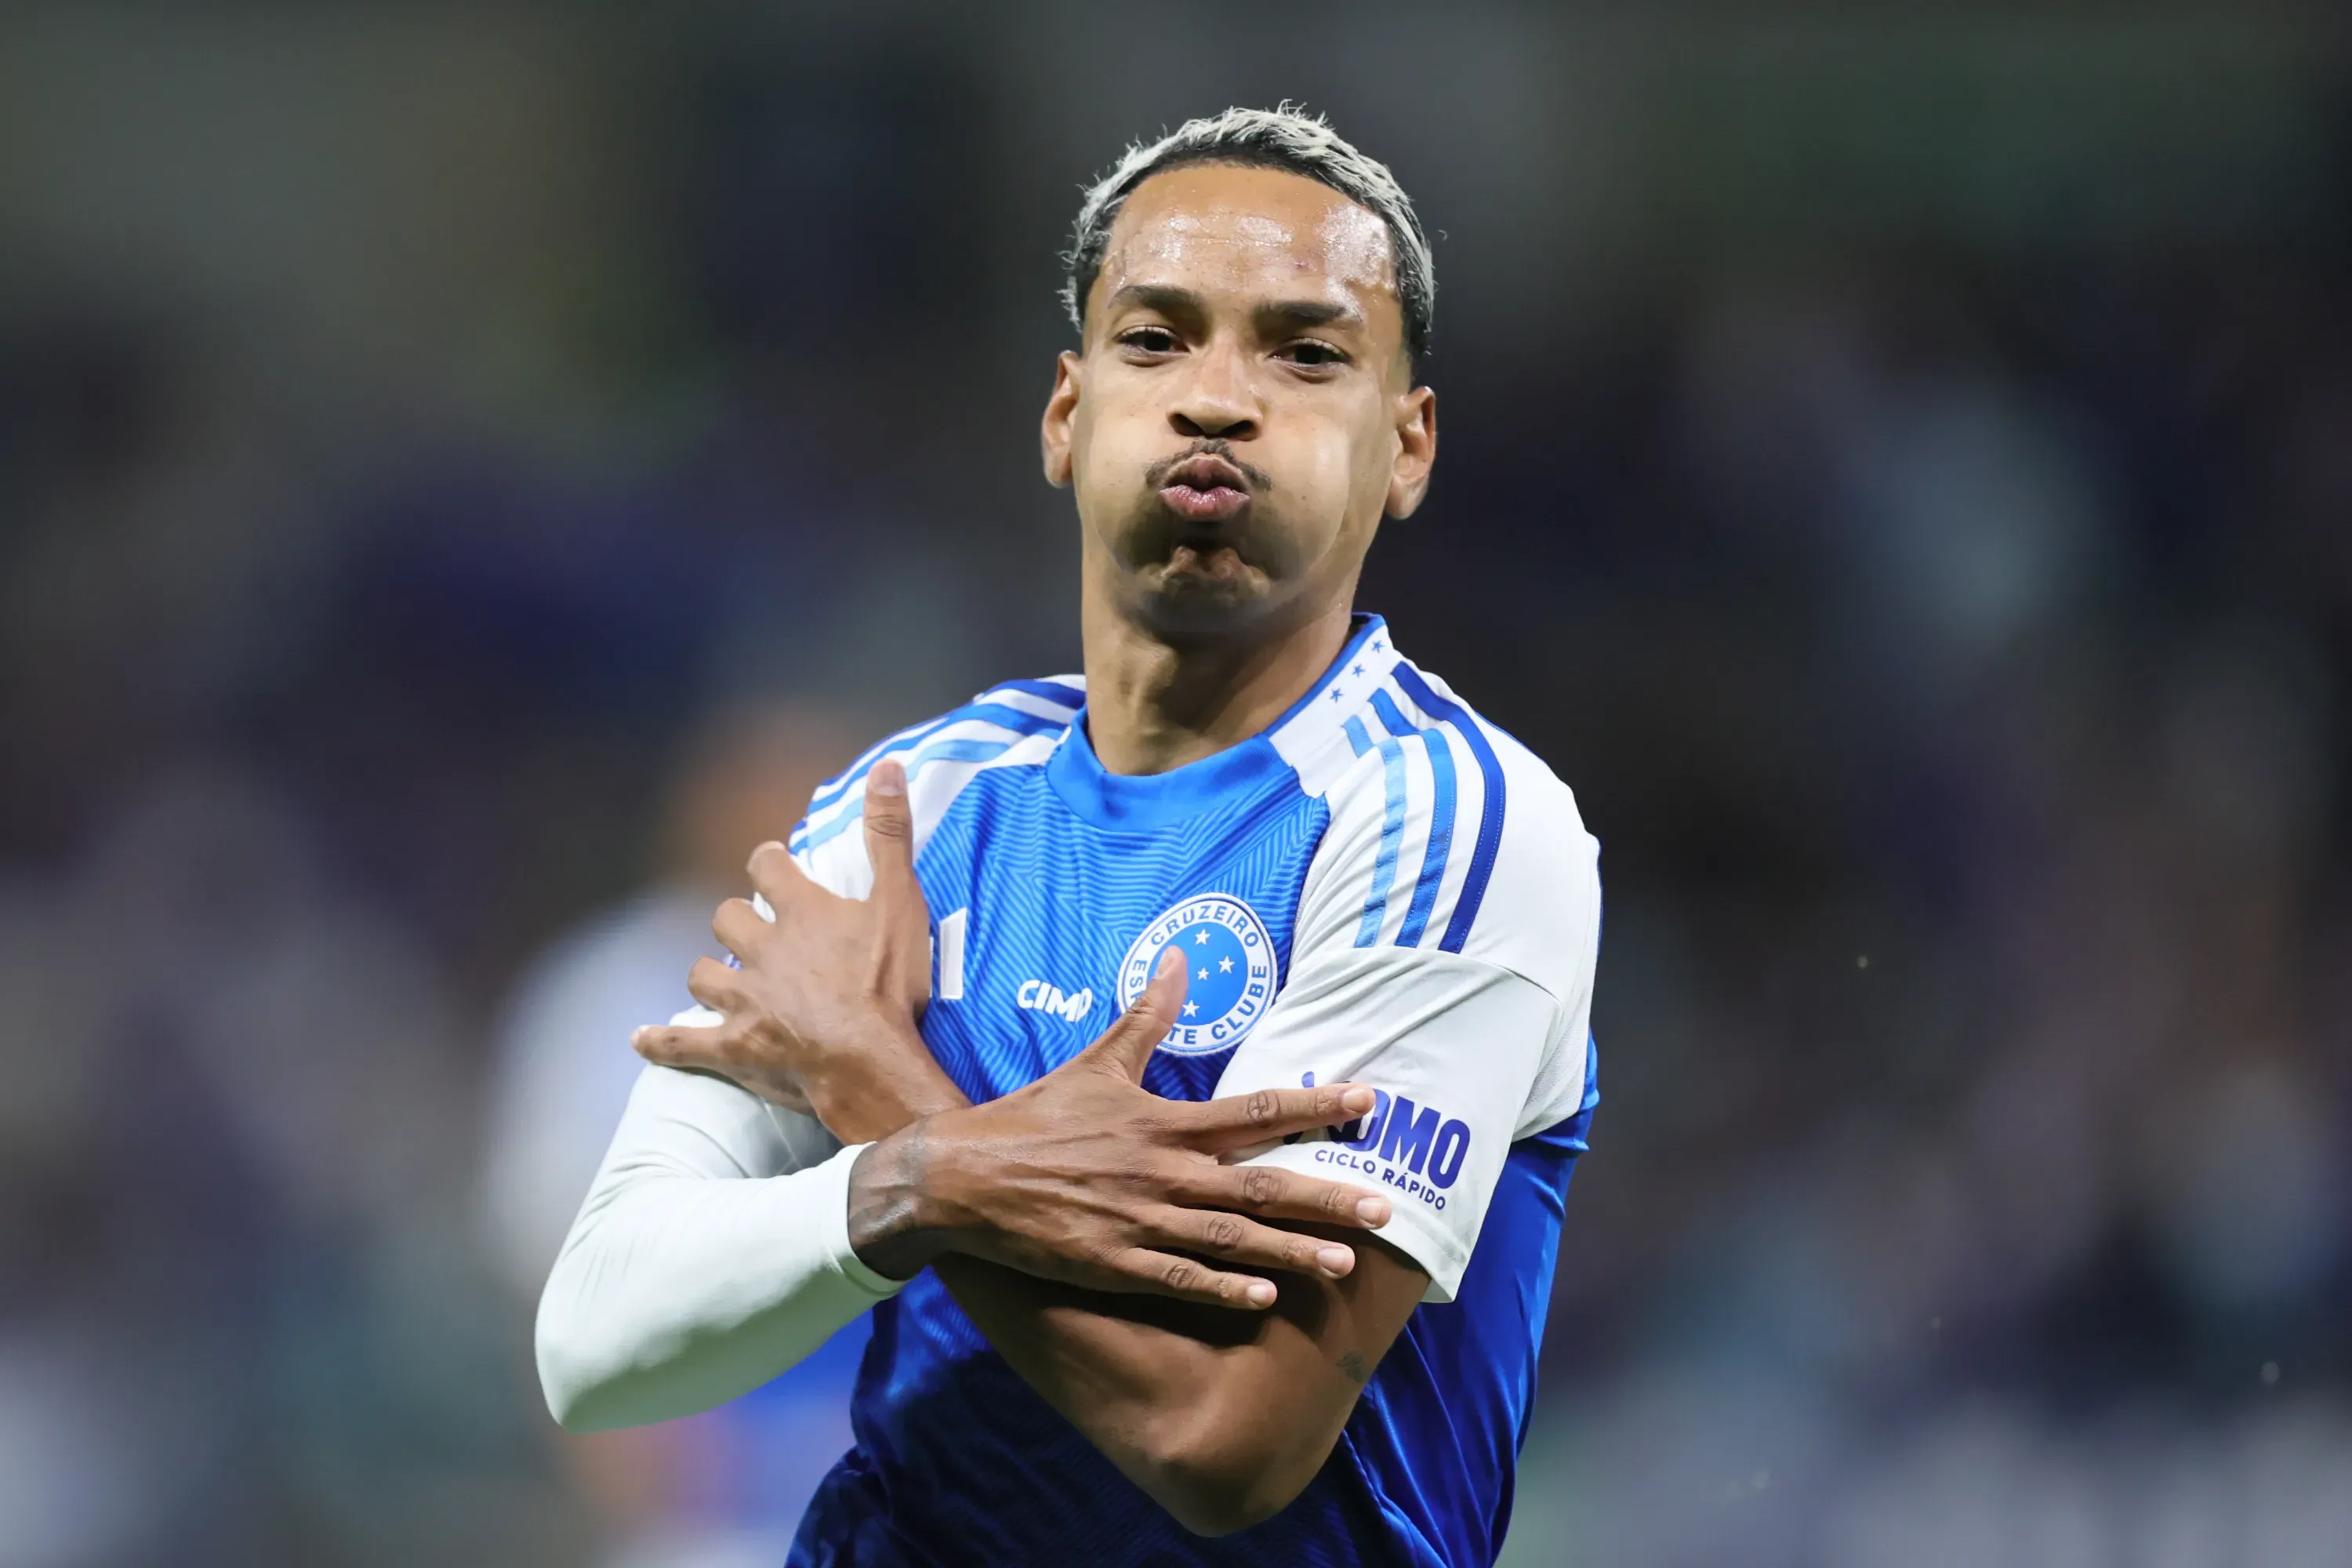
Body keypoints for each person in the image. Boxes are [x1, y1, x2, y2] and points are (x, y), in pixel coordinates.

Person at [536, 107, 1602, 1566]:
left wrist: (888, 1098)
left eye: (1304, 352)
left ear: (1406, 445)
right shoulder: (915, 806)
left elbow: (1228, 1441)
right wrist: (933, 1173)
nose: (1218, 397)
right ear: (1066, 413)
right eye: (1156, 338)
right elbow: (599, 1340)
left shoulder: (1450, 824)